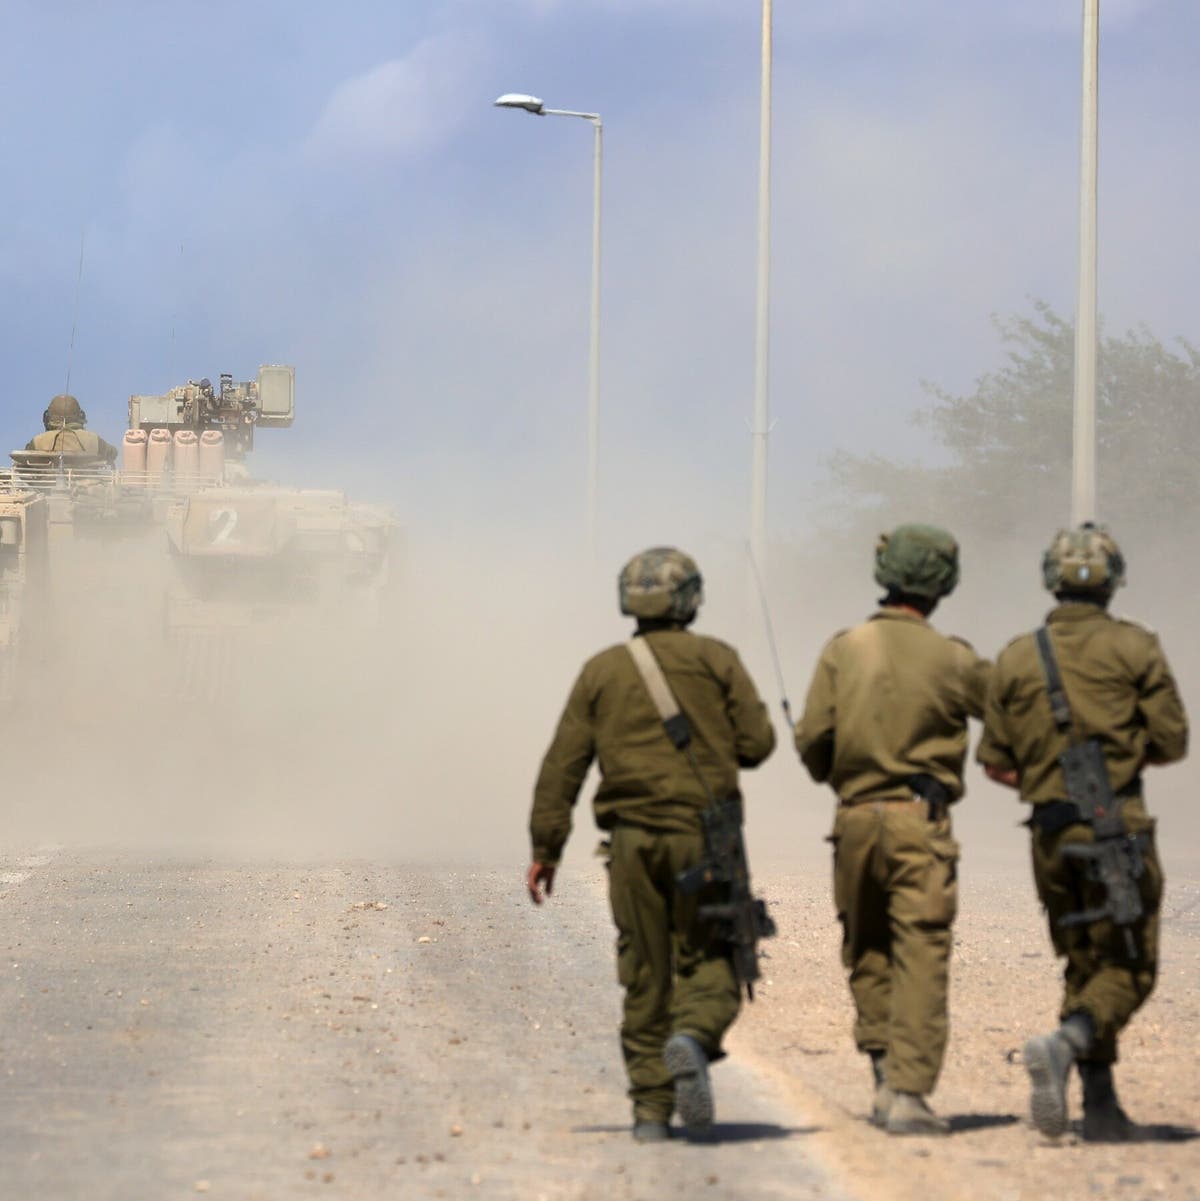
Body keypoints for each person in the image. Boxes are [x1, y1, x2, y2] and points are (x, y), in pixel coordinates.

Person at [527, 547, 775, 1143]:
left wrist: (547, 849)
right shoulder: (718, 660)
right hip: (704, 841)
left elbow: (563, 766)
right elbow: (758, 745)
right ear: (691, 598)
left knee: (644, 971)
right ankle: (692, 1036)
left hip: (631, 844)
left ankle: (650, 1112)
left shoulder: (601, 671)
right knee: (714, 956)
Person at [977, 523, 1187, 1142]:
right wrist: (1119, 763)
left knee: (1083, 961)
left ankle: (1100, 1107)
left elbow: (995, 763)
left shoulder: (1017, 655)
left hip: (1051, 834)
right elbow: (1172, 742)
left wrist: (1050, 781)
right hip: (1117, 828)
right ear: (1113, 579)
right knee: (1130, 965)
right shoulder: (1136, 647)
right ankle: (1068, 1042)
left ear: (1052, 578)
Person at [794, 524, 990, 1136]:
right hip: (919, 822)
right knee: (921, 950)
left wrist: (840, 771)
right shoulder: (955, 658)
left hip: (853, 819)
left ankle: (882, 1075)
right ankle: (908, 1091)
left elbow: (813, 742)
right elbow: (1010, 720)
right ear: (943, 583)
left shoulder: (843, 648)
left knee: (868, 946)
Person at [25, 394, 117, 462]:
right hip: (89, 482)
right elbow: (113, 453)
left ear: (48, 417)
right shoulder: (93, 439)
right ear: (80, 416)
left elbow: (22, 461)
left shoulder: (38, 441)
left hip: (47, 482)